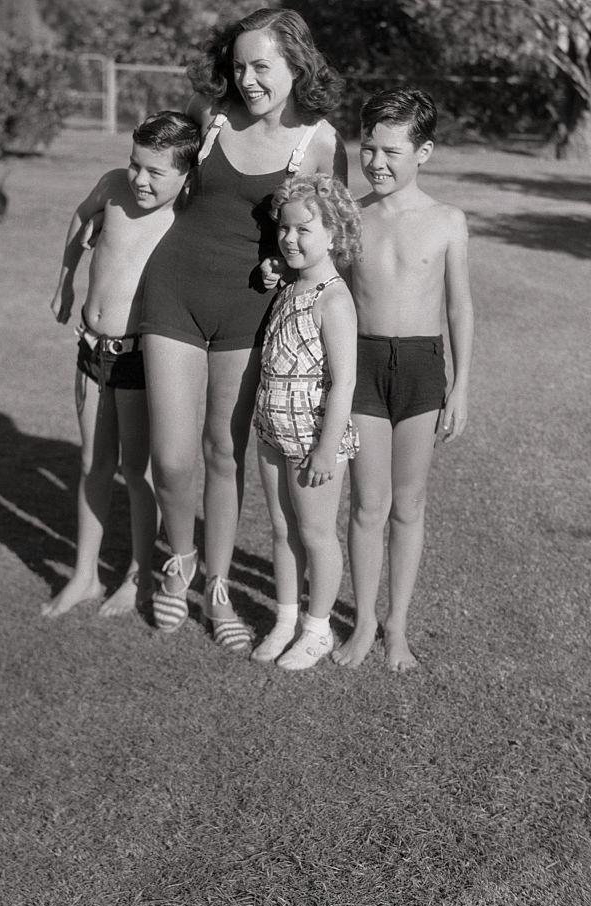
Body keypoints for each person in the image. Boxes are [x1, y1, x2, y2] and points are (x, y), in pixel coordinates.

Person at [139, 8, 347, 651]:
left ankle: (219, 583)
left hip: (249, 310)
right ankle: (178, 563)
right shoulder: (211, 116)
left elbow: (326, 232)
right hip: (174, 289)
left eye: (262, 66)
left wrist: (282, 263)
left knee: (222, 451)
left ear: (296, 64)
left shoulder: (319, 139)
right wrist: (99, 202)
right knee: (172, 459)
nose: (248, 79)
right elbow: (150, 171)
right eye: (238, 66)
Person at [332, 88, 475, 671]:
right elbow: (330, 290)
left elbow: (460, 307)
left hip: (421, 368)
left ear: (425, 152)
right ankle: (364, 622)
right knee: (368, 503)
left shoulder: (447, 221)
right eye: (368, 149)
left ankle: (398, 627)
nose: (377, 163)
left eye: (392, 151)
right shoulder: (351, 216)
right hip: (361, 367)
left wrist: (460, 386)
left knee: (408, 504)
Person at [42, 111, 200, 619]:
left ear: (186, 175)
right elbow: (79, 214)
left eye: (156, 172)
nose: (140, 179)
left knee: (137, 472)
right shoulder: (112, 187)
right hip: (90, 352)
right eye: (136, 164)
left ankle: (138, 576)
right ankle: (85, 575)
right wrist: (65, 279)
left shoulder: (187, 213)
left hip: (137, 360)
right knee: (93, 463)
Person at [251, 175, 361, 669]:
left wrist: (325, 447)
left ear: (334, 234)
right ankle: (285, 619)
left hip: (314, 437)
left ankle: (317, 631)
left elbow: (344, 382)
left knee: (317, 534)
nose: (290, 238)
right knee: (281, 528)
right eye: (285, 229)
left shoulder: (334, 301)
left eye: (304, 230)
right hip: (271, 429)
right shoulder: (291, 287)